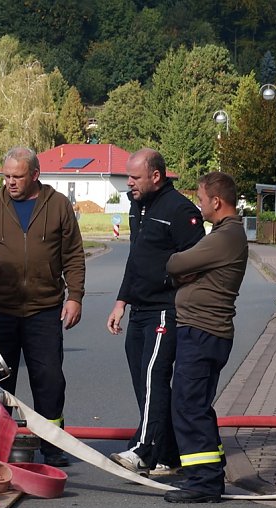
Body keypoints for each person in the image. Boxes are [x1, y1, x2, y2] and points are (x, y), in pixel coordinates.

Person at [0, 146, 85, 467]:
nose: (10, 182)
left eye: (17, 176)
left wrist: (75, 296)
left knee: (48, 379)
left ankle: (52, 446)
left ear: (35, 175)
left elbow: (74, 255)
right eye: (6, 176)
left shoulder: (59, 206)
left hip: (44, 310)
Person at [106, 148, 204, 475]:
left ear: (156, 176)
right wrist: (121, 302)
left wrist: (171, 286)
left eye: (134, 177)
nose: (129, 183)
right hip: (139, 309)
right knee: (142, 379)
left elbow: (194, 263)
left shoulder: (180, 210)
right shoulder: (138, 206)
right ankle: (168, 451)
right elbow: (135, 260)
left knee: (154, 374)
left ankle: (144, 449)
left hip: (167, 309)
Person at [163, 172, 248, 503]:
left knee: (187, 405)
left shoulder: (226, 237)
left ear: (216, 201)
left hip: (203, 332)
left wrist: (183, 271)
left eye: (200, 199)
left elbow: (176, 263)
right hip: (203, 331)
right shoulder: (224, 235)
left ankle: (204, 481)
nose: (198, 205)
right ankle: (210, 470)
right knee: (195, 403)